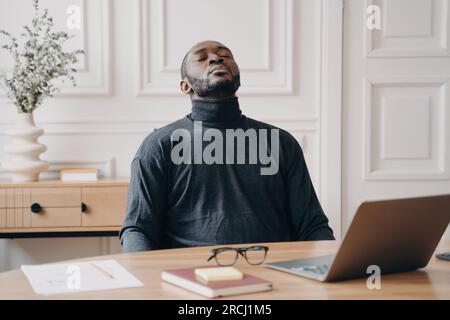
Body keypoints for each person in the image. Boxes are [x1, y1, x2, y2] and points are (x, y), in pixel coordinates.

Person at [120, 40, 334, 252]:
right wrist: (150, 282)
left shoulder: (281, 143)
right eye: (202, 58)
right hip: (189, 278)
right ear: (185, 85)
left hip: (275, 274)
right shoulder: (159, 146)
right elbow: (137, 230)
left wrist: (328, 269)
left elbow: (312, 226)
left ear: (238, 77)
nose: (216, 58)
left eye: (225, 55)